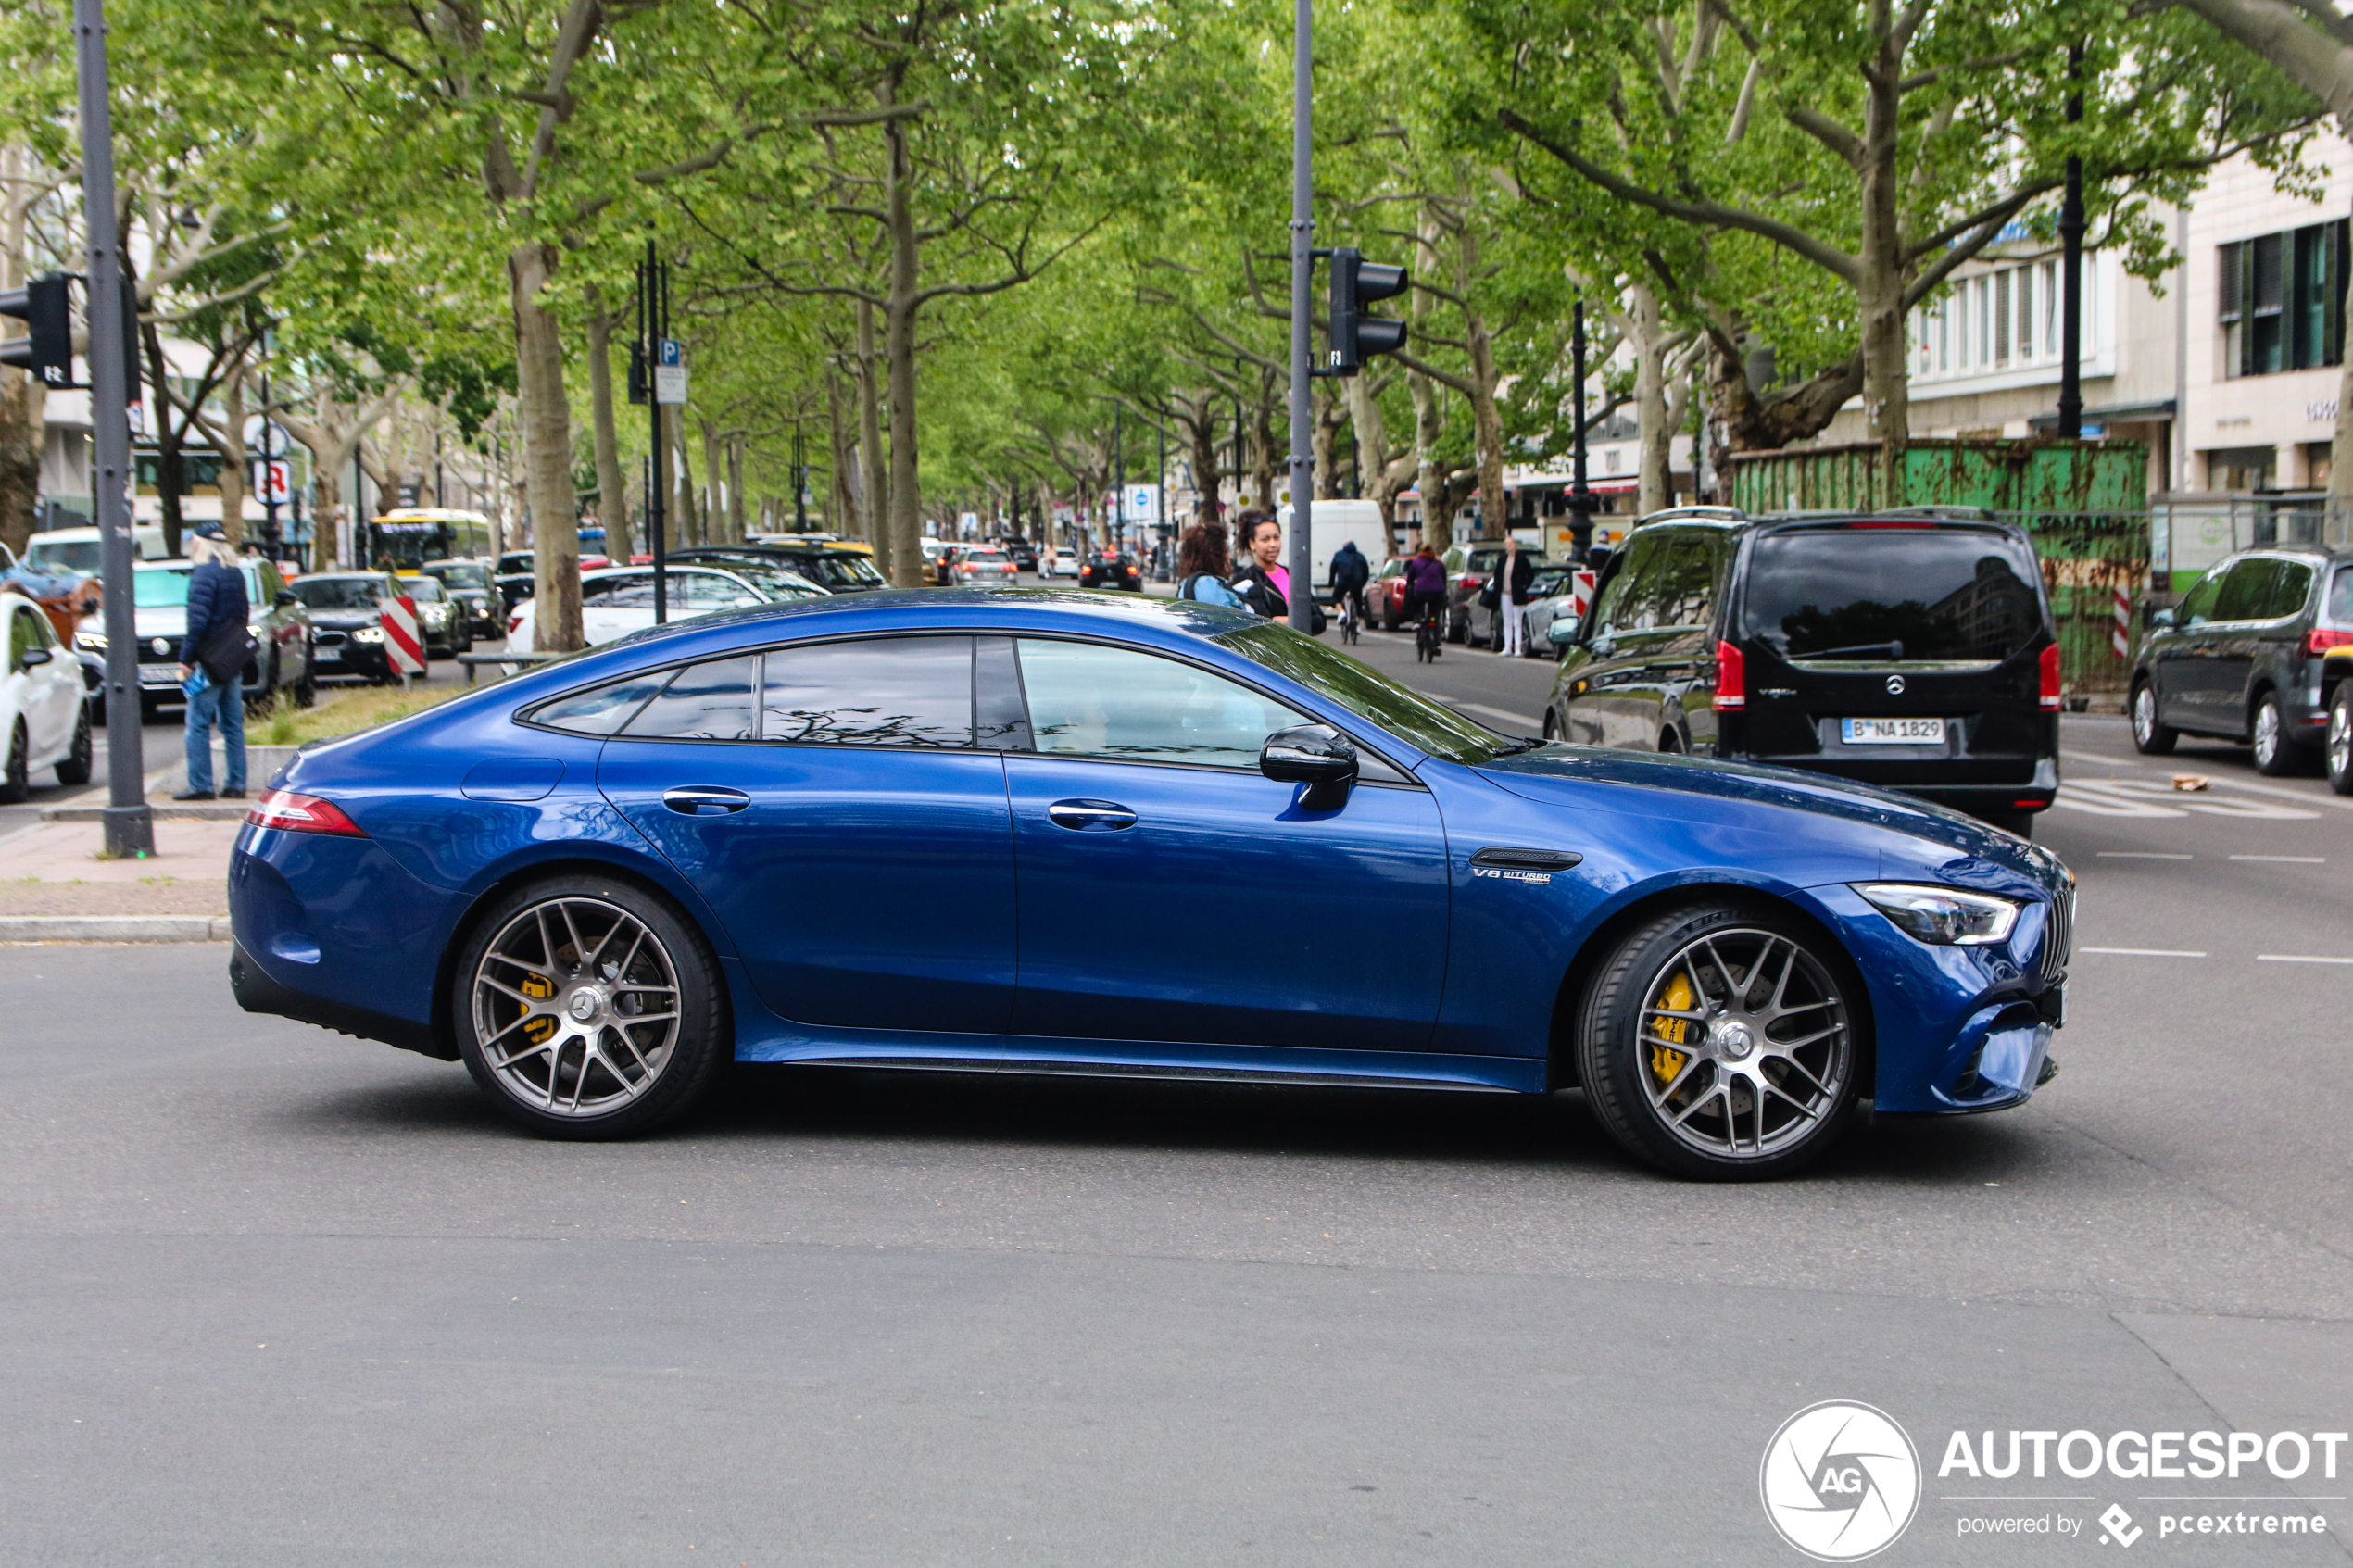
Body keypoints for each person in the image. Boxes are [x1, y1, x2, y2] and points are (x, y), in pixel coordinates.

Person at [175, 521, 252, 802]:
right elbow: (243, 615)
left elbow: (197, 622)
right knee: (232, 724)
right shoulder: (236, 574)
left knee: (196, 722)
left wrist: (186, 658)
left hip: (208, 660)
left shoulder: (204, 574)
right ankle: (236, 783)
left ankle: (201, 784)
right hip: (232, 658)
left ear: (201, 544)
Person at [1230, 510, 1322, 630]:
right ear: (1252, 543)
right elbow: (1256, 625)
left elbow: (1320, 620)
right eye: (1265, 539)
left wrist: (1288, 621)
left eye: (1276, 538)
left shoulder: (1292, 574)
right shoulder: (1244, 580)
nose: (1273, 544)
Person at [1175, 522, 1247, 608]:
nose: (1229, 556)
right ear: (1215, 555)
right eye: (1226, 551)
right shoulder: (1206, 584)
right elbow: (1225, 617)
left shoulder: (1191, 583)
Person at [1494, 535, 1535, 656]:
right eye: (1507, 544)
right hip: (1505, 593)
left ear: (1515, 544)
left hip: (1518, 594)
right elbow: (1497, 575)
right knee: (1507, 620)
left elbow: (1530, 575)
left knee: (1517, 621)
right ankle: (1507, 646)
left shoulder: (1521, 559)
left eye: (1511, 543)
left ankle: (1518, 647)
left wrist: (1524, 586)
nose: (1509, 546)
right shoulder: (1502, 559)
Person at [1403, 541, 1447, 646]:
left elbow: (1410, 580)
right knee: (1435, 616)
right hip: (1438, 592)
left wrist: (1410, 587)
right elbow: (1444, 579)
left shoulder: (1416, 563)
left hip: (1421, 591)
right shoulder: (1439, 564)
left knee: (1417, 604)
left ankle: (1417, 621)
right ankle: (1436, 642)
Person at [1328, 537, 1370, 629]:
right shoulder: (1360, 556)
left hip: (1343, 582)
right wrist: (1362, 584)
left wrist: (1331, 583)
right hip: (1357, 583)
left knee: (1336, 598)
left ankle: (1342, 613)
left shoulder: (1339, 555)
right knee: (1358, 604)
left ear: (1344, 546)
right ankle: (1357, 627)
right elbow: (1366, 572)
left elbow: (1333, 570)